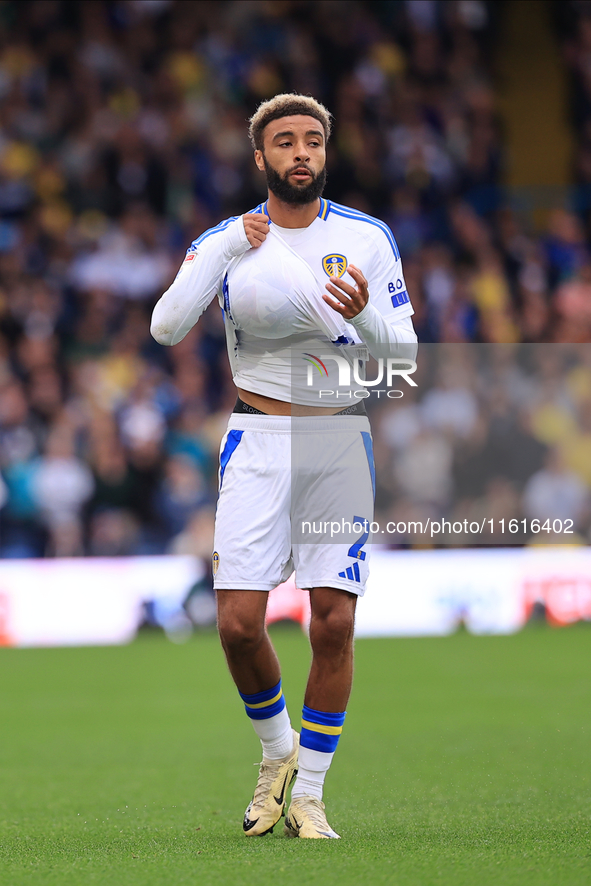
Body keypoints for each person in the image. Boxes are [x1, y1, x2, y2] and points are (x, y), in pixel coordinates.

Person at [151, 94, 417, 839]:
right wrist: (230, 246)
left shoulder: (365, 238)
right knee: (237, 625)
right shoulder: (229, 239)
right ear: (260, 158)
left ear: (324, 153)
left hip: (337, 438)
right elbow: (165, 327)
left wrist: (363, 312)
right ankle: (279, 755)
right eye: (285, 142)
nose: (301, 153)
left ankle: (311, 796)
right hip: (257, 437)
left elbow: (402, 359)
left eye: (312, 141)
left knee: (331, 623)